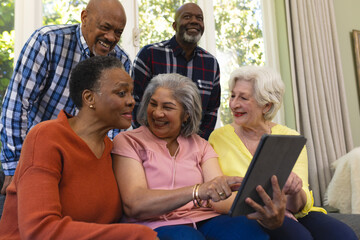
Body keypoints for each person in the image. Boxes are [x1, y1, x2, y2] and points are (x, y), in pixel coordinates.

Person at [112, 73, 290, 240]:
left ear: (186, 115)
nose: (157, 113)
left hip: (204, 219)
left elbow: (220, 195)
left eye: (168, 107)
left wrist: (263, 205)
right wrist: (197, 190)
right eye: (153, 104)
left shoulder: (200, 145)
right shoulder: (129, 141)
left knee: (245, 229)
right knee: (187, 237)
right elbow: (135, 203)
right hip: (154, 224)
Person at [0, 56, 158, 239]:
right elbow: (39, 230)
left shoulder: (112, 149)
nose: (131, 101)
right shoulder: (46, 137)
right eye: (121, 93)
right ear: (89, 97)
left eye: (131, 93)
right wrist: (136, 235)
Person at [208, 66, 358, 240]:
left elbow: (301, 202)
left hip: (293, 210)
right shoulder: (218, 137)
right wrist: (272, 208)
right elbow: (217, 197)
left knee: (344, 235)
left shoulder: (290, 138)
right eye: (233, 95)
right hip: (247, 214)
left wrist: (294, 192)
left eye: (243, 98)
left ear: (266, 105)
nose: (234, 104)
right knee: (298, 236)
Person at [0, 0, 131, 195]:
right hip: (34, 152)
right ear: (84, 18)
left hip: (80, 161)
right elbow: (17, 104)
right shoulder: (47, 41)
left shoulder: (121, 62)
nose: (111, 37)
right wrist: (16, 165)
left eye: (118, 32)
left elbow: (114, 124)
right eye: (105, 28)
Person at [131, 3, 220, 140]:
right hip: (150, 146)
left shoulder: (211, 64)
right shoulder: (150, 55)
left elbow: (212, 111)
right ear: (174, 26)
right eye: (187, 17)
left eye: (199, 18)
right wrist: (149, 142)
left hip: (193, 151)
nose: (194, 21)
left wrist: (196, 144)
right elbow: (135, 102)